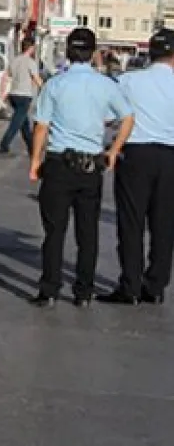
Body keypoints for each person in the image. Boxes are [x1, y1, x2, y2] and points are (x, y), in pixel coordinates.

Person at [28, 27, 135, 308]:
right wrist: (113, 151)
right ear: (93, 53)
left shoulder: (55, 84)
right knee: (87, 234)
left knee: (54, 232)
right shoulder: (106, 85)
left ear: (68, 51)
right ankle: (83, 292)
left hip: (59, 164)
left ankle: (49, 290)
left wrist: (35, 162)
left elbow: (41, 126)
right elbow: (127, 117)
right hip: (91, 167)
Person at [98, 29, 174, 306]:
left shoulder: (128, 81)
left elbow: (109, 117)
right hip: (170, 157)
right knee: (164, 224)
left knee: (131, 222)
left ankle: (129, 285)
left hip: (136, 154)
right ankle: (155, 285)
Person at [0, 37, 43, 157]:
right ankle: (4, 145)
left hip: (14, 95)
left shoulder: (15, 61)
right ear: (31, 48)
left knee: (24, 123)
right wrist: (45, 89)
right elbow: (36, 79)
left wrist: (2, 95)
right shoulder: (31, 62)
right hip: (24, 96)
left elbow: (6, 78)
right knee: (16, 123)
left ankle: (32, 148)